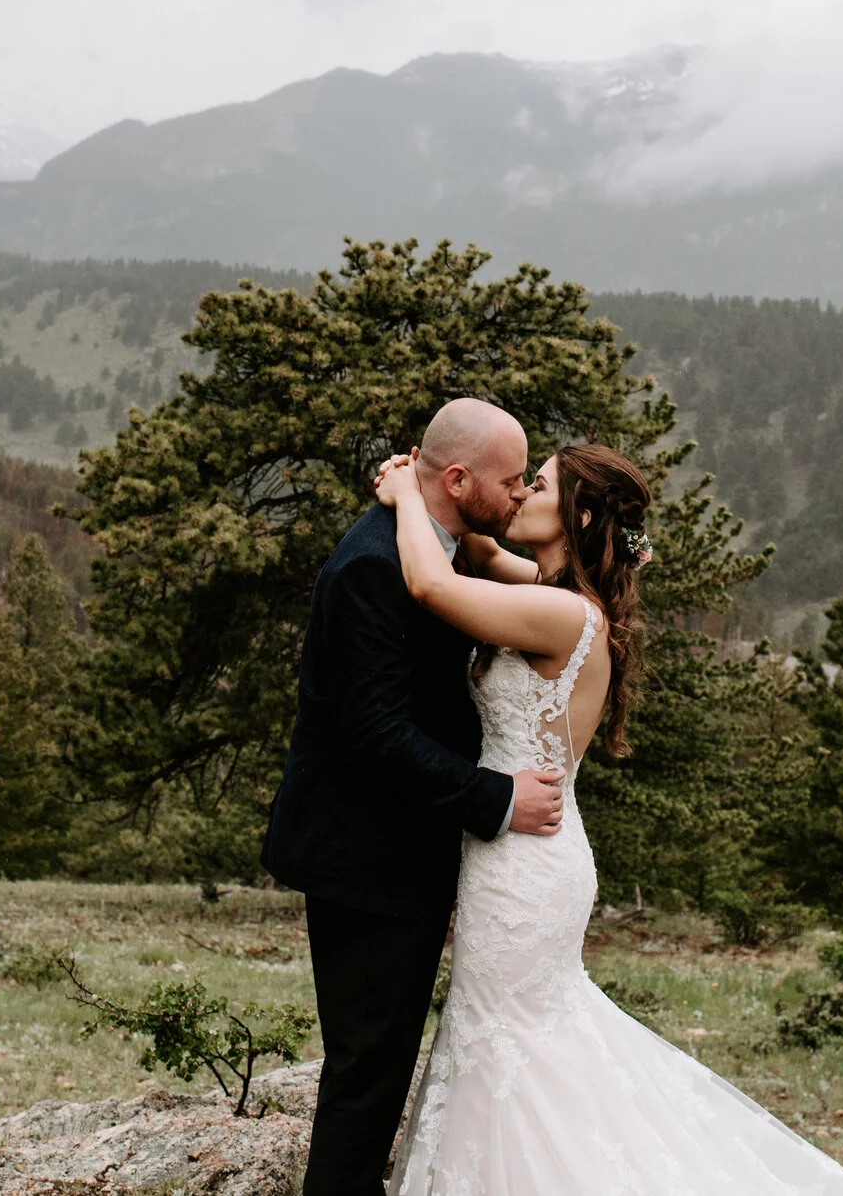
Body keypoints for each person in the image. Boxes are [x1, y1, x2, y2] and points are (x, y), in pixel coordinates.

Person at [374, 440, 843, 1195]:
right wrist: (462, 506)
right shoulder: (559, 594)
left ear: (577, 513)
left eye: (535, 484)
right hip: (522, 847)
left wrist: (405, 492)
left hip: (526, 863)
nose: (519, 495)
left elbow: (430, 583)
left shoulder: (561, 614)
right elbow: (480, 552)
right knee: (509, 1041)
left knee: (511, 1048)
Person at [261, 398, 571, 1196]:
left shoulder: (450, 550)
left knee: (382, 1065)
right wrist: (495, 798)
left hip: (405, 858)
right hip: (366, 863)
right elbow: (375, 734)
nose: (514, 497)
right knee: (368, 1074)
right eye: (509, 481)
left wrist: (410, 495)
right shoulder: (373, 565)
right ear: (459, 478)